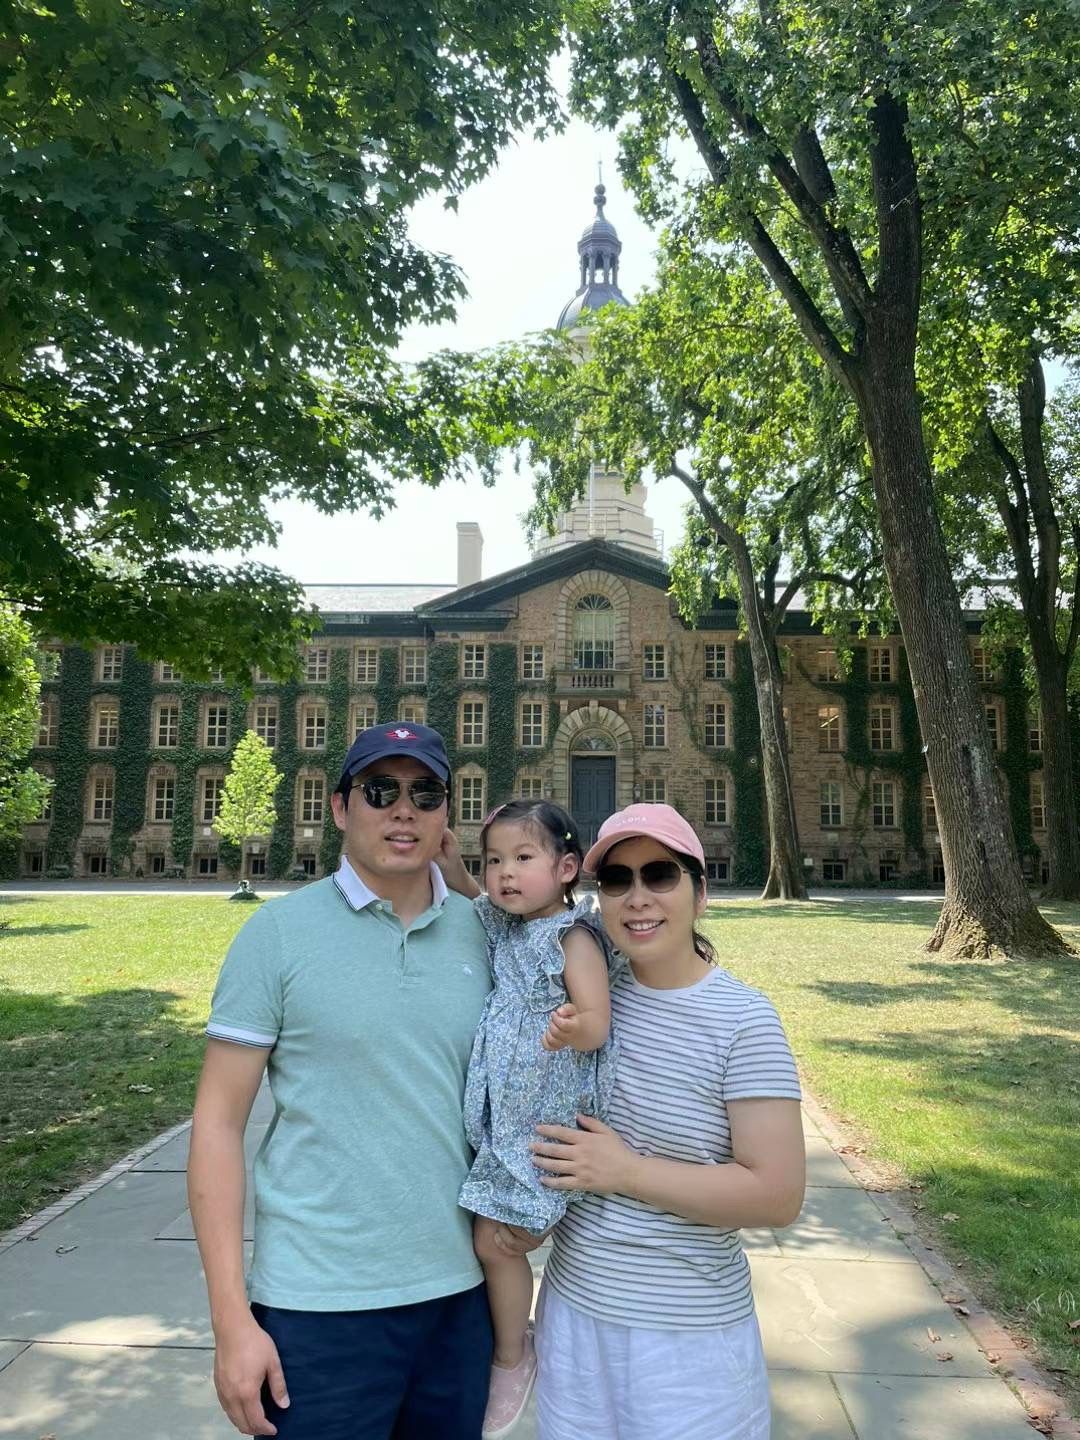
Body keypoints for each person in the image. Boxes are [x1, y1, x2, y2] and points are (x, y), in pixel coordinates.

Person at [187, 722, 493, 1440]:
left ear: (447, 815)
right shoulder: (278, 935)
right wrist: (231, 1321)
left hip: (460, 1300)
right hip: (316, 1308)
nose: (403, 810)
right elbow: (217, 1125)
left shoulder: (484, 933)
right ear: (339, 807)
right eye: (380, 791)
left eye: (426, 794)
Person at [526, 803, 806, 1440]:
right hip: (574, 1318)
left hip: (688, 1342)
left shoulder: (743, 1022)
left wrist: (625, 1171)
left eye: (659, 874)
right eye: (616, 880)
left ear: (700, 893)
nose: (637, 897)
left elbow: (777, 1194)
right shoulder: (588, 1001)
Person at [438, 799, 617, 1440]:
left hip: (545, 1119)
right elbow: (471, 895)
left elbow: (597, 1021)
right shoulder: (506, 923)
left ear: (566, 868)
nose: (504, 873)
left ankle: (512, 1356)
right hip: (504, 1116)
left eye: (522, 858)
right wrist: (455, 865)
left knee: (498, 1241)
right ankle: (513, 1342)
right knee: (487, 1238)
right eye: (494, 861)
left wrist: (574, 1027)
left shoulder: (573, 937)